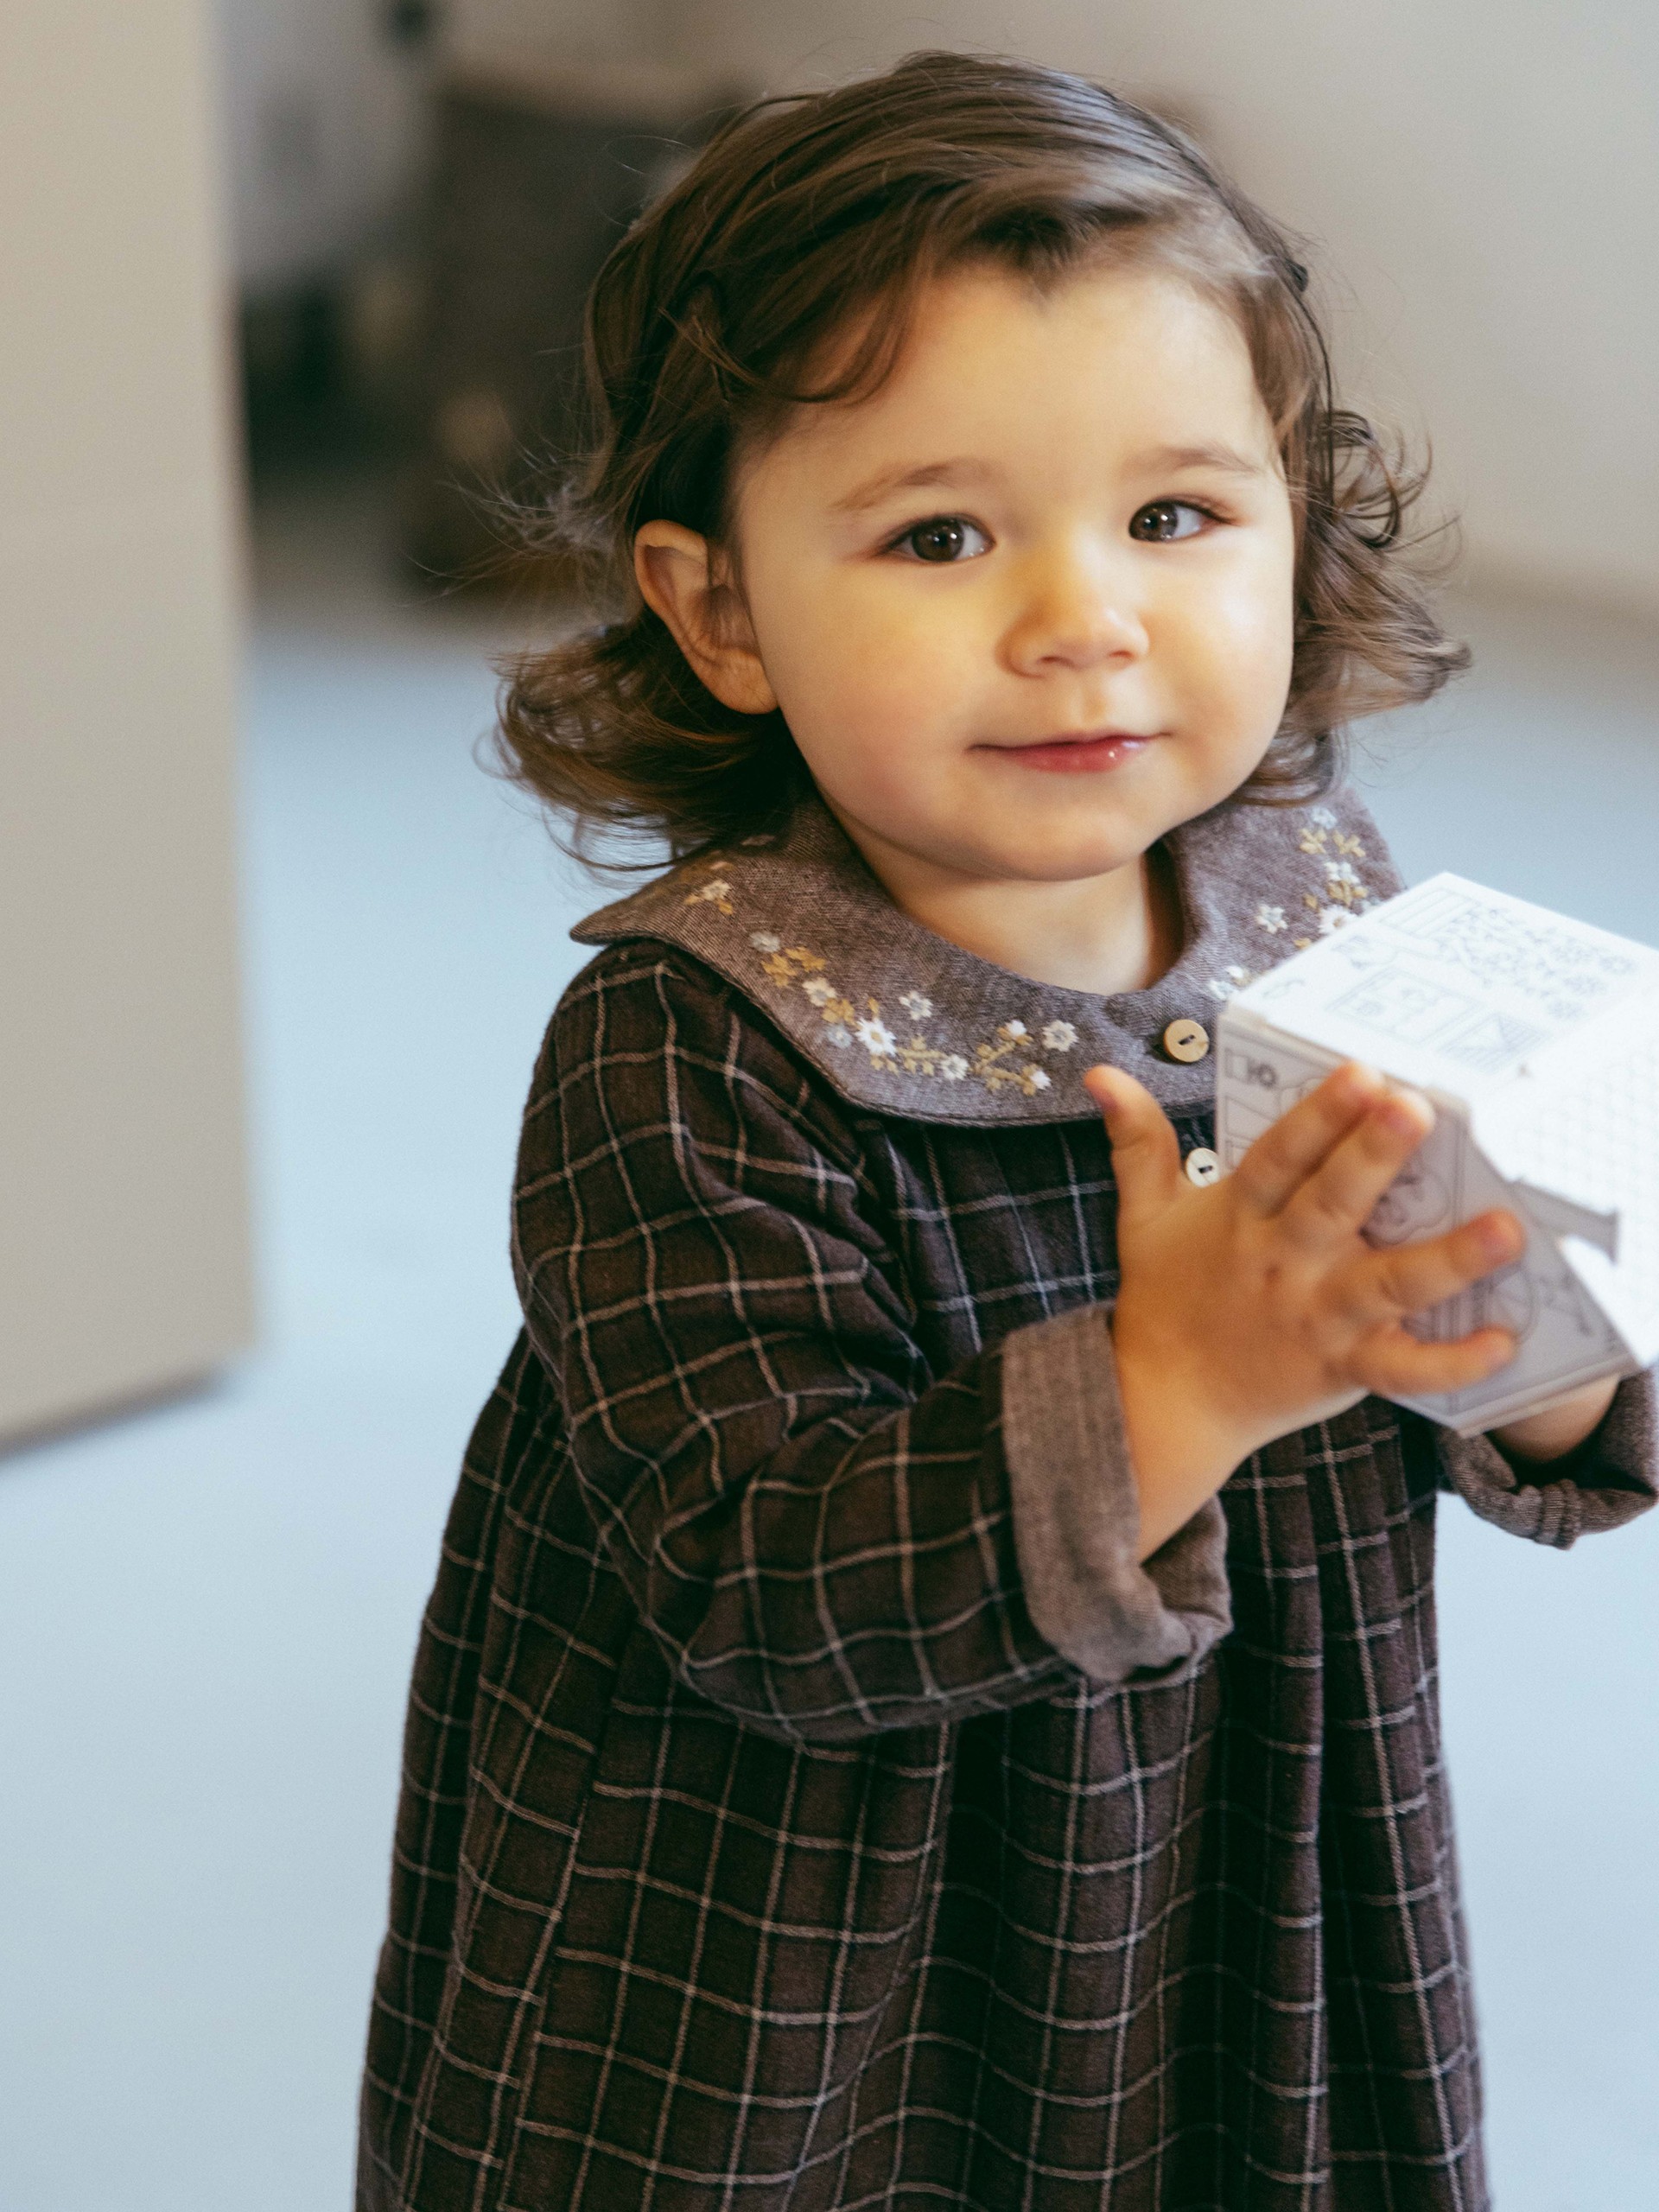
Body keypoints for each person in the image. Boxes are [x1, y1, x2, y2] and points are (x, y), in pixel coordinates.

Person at [357, 51, 1655, 2212]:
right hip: (810, 1939)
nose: (1083, 620)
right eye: (943, 532)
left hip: (1244, 1848)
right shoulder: (692, 1044)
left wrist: (1535, 1345)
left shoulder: (1318, 898)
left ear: (1291, 523)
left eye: (1174, 514)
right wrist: (1182, 1380)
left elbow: (1519, 1370)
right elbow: (754, 1587)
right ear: (722, 609)